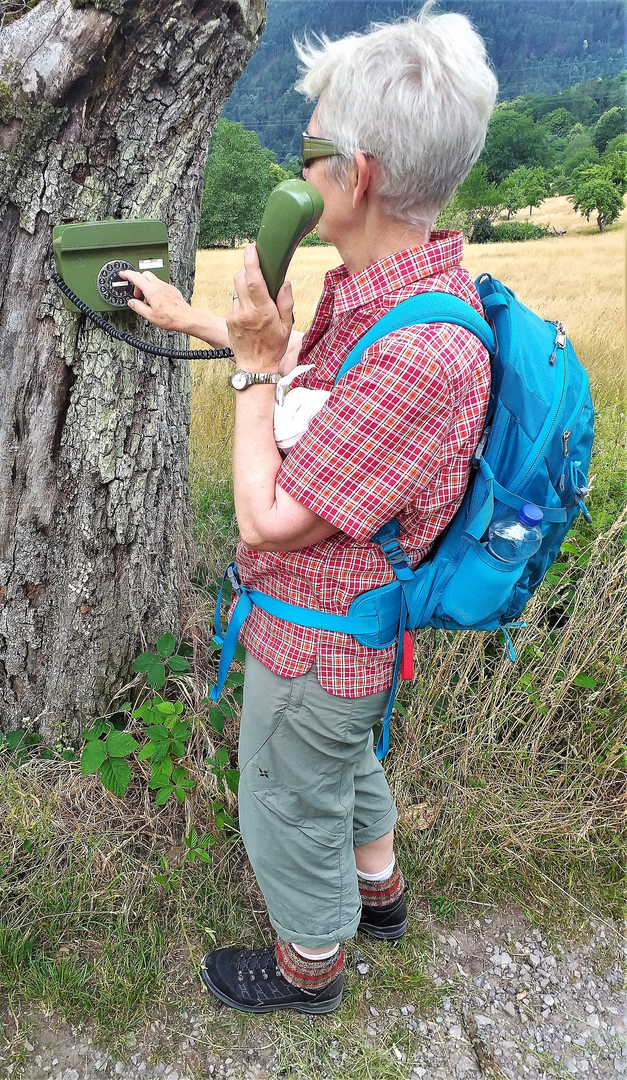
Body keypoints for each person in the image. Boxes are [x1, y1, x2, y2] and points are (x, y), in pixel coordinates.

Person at [122, 3, 498, 1016]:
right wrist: (207, 320)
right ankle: (379, 898)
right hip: (345, 642)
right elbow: (311, 384)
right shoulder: (382, 293)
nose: (297, 173)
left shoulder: (424, 348)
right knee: (346, 771)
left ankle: (311, 967)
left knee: (289, 802)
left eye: (308, 148)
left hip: (317, 644)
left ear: (355, 174)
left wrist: (244, 373)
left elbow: (268, 520)